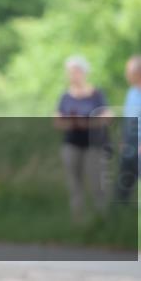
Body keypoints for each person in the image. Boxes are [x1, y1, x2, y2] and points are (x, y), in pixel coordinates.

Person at [54, 55, 111, 221]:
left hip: (94, 145)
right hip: (72, 143)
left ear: (83, 72)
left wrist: (87, 123)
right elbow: (57, 121)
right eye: (70, 72)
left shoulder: (97, 94)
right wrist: (72, 123)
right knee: (74, 185)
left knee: (97, 184)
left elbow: (107, 117)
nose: (73, 75)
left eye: (76, 71)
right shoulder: (65, 96)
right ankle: (77, 221)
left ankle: (102, 220)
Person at [115, 54, 141, 202]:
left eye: (129, 71)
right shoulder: (131, 92)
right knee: (122, 190)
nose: (126, 74)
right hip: (130, 147)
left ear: (140, 72)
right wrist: (123, 140)